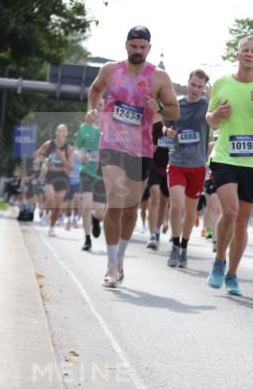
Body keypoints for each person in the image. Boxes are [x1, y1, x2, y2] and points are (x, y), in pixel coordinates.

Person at [87, 25, 179, 288]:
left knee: (130, 208)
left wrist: (159, 106)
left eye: (142, 47)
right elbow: (95, 90)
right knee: (115, 203)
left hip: (141, 149)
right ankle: (110, 266)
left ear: (149, 48)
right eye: (133, 46)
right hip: (111, 144)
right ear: (126, 45)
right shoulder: (110, 70)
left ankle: (120, 260)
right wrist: (93, 109)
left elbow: (175, 111)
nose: (137, 51)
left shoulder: (159, 77)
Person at [206, 36, 253, 295]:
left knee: (242, 221)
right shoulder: (222, 83)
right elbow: (210, 120)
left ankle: (232, 273)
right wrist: (215, 115)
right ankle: (219, 260)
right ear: (238, 55)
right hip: (224, 156)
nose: (249, 55)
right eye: (244, 50)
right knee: (230, 211)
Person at [163, 69, 210, 269]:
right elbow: (163, 127)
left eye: (200, 86)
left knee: (190, 212)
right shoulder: (177, 105)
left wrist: (212, 96)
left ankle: (184, 247)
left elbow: (216, 119)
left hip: (198, 164)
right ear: (188, 82)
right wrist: (168, 131)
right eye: (193, 85)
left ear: (204, 87)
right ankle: (174, 245)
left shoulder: (207, 106)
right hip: (177, 162)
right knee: (177, 204)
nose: (196, 89)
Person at [35, 124, 73, 237]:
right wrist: (45, 160)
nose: (61, 133)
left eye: (64, 131)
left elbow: (70, 167)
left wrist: (63, 158)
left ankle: (51, 228)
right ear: (56, 132)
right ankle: (45, 214)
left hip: (62, 177)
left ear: (66, 134)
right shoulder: (48, 144)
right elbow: (38, 154)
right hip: (50, 175)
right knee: (51, 198)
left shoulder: (68, 149)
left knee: (58, 206)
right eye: (59, 131)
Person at [76, 114, 106, 252]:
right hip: (86, 171)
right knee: (87, 203)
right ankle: (87, 238)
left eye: (102, 105)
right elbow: (76, 147)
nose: (99, 109)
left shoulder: (109, 128)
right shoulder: (85, 128)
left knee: (100, 212)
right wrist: (80, 155)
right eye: (97, 106)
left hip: (102, 173)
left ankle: (95, 219)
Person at [145, 120, 172, 250]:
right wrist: (151, 145)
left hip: (170, 166)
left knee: (164, 201)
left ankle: (157, 230)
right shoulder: (155, 125)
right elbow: (148, 143)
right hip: (154, 165)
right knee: (155, 196)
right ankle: (151, 235)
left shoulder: (176, 124)